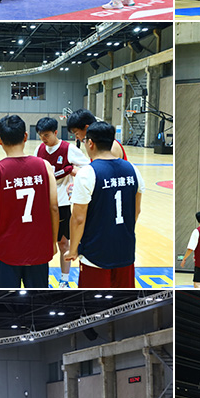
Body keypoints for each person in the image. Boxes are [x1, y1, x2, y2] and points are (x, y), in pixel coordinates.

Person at [0, 113, 57, 288]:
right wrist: (52, 242)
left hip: (7, 250)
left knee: (4, 300)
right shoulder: (44, 166)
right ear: (25, 136)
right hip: (38, 248)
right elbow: (54, 207)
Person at [68, 120, 143, 288]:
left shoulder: (87, 173)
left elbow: (78, 219)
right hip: (125, 249)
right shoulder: (133, 169)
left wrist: (73, 250)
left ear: (90, 143)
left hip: (95, 252)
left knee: (92, 299)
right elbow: (137, 211)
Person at [36, 117, 89, 288]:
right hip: (43, 203)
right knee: (42, 243)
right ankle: (40, 280)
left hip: (63, 203)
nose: (43, 139)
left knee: (63, 243)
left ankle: (64, 280)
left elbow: (88, 168)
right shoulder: (39, 150)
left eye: (46, 135)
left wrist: (72, 171)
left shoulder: (69, 149)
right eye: (41, 135)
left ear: (55, 132)